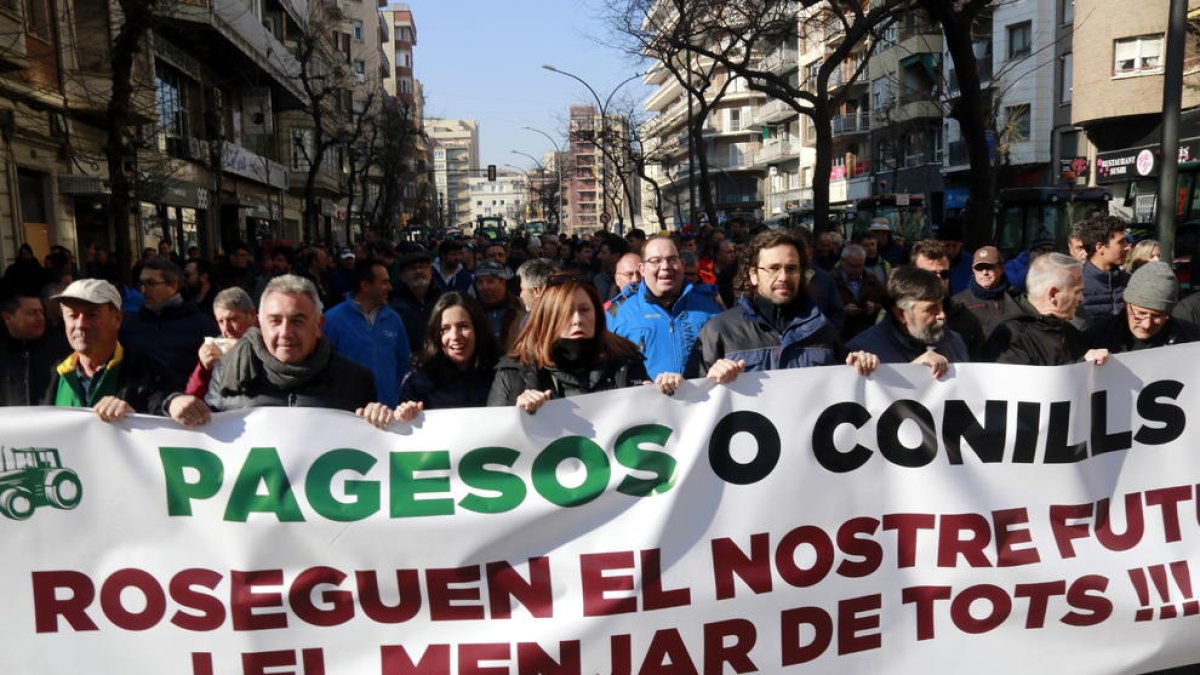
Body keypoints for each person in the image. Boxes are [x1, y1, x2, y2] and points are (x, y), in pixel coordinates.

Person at [166, 275, 391, 428]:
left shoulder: (355, 380)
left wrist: (382, 419)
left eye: (298, 321)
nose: (285, 332)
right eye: (275, 321)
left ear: (319, 326)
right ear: (260, 324)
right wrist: (173, 403)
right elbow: (202, 431)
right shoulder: (228, 371)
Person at [699, 229, 878, 379]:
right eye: (774, 268)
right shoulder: (720, 330)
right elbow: (693, 403)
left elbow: (845, 393)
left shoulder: (822, 329)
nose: (783, 277)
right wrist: (711, 379)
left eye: (791, 269)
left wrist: (861, 365)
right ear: (753, 275)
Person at [488, 280, 683, 412]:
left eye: (584, 310)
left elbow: (653, 421)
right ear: (548, 318)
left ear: (597, 314)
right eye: (566, 312)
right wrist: (517, 414)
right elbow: (496, 441)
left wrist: (667, 393)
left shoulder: (625, 359)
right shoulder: (514, 372)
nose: (577, 320)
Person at [44, 279, 173, 420]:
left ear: (118, 318)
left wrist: (135, 418)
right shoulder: (52, 374)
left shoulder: (150, 372)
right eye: (72, 316)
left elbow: (165, 422)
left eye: (91, 315)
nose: (81, 324)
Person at [608, 236, 723, 378]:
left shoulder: (710, 306)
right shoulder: (617, 314)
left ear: (681, 264)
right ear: (642, 269)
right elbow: (604, 371)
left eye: (672, 260)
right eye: (655, 261)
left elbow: (730, 354)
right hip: (645, 399)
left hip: (704, 397)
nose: (665, 266)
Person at [847, 267, 968, 379]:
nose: (942, 315)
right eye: (931, 309)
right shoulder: (864, 351)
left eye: (941, 304)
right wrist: (911, 371)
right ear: (901, 314)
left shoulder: (954, 342)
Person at [322, 258, 412, 408]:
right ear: (365, 286)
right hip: (350, 413)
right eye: (384, 282)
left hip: (389, 411)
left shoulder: (393, 319)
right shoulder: (332, 320)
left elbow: (404, 363)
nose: (390, 287)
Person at [395, 293, 500, 420]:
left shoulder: (502, 374)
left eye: (463, 326)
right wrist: (405, 413)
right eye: (445, 329)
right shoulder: (419, 380)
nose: (455, 336)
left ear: (478, 329)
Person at [120, 257, 219, 391]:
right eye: (141, 284)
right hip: (138, 406)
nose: (143, 290)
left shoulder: (201, 325)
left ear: (173, 286)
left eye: (150, 283)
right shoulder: (129, 324)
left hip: (185, 404)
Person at [983, 253, 1088, 365]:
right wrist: (1082, 365)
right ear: (1053, 294)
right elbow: (1022, 381)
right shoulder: (1009, 336)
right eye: (1077, 292)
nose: (1081, 299)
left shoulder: (1070, 333)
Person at [1085, 261, 1200, 358]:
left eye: (1157, 316)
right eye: (1141, 313)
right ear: (1127, 305)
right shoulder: (1099, 336)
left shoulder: (1192, 338)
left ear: (1168, 314)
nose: (1147, 324)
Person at [910, 239, 984, 360]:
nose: (938, 279)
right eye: (931, 274)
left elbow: (977, 367)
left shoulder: (967, 319)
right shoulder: (898, 318)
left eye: (944, 274)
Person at [183, 287, 258, 401]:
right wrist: (203, 368)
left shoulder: (273, 342)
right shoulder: (216, 345)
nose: (226, 329)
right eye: (221, 321)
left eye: (232, 319)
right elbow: (191, 396)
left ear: (252, 315)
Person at [952, 245, 1024, 355]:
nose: (984, 272)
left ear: (1001, 268)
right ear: (973, 271)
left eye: (989, 267)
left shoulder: (1018, 299)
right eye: (979, 268)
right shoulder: (958, 302)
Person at [0, 291, 63, 406]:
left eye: (41, 312)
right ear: (7, 317)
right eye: (31, 313)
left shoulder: (59, 349)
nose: (40, 318)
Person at [1078, 214, 1131, 318]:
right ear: (1100, 247)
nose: (1127, 247)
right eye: (1121, 242)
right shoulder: (1077, 285)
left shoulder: (1129, 281)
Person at [389, 247, 442, 351]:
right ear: (402, 276)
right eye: (412, 268)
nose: (419, 271)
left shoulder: (442, 299)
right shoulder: (393, 304)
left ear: (430, 271)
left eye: (423, 267)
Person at [833, 243, 886, 341]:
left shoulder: (872, 280)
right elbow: (824, 310)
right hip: (841, 337)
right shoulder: (831, 280)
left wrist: (874, 307)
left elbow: (887, 303)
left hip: (867, 336)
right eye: (853, 266)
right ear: (843, 262)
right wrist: (843, 311)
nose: (857, 270)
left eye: (860, 266)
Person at [473, 260, 526, 352]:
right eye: (480, 282)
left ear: (503, 282)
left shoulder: (522, 306)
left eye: (490, 282)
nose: (484, 287)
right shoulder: (472, 310)